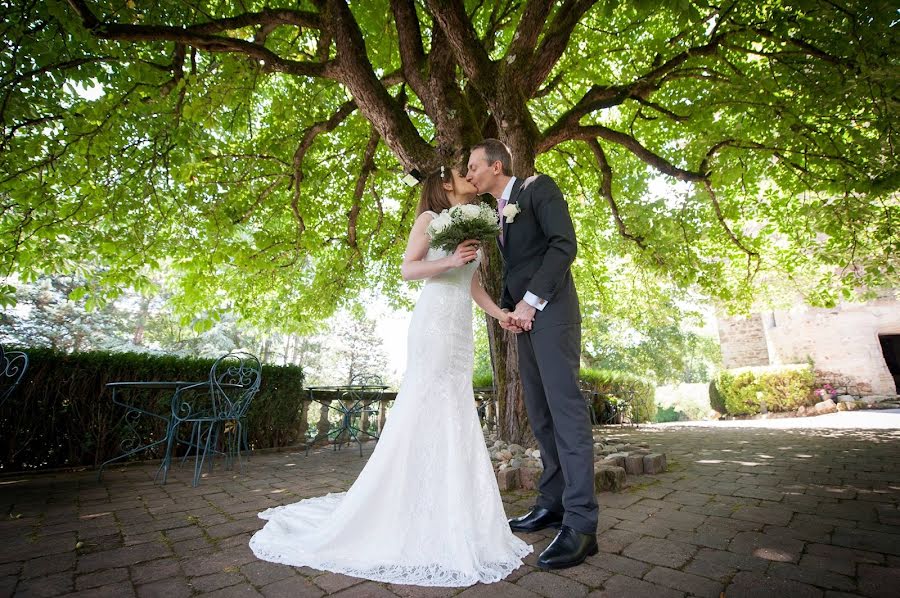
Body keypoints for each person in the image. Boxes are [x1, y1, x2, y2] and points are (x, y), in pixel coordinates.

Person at [249, 164, 531, 587]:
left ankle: (450, 506)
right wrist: (451, 259)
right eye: (462, 174)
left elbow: (472, 284)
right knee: (425, 405)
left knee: (455, 409)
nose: (470, 179)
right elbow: (408, 268)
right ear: (444, 185)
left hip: (458, 329)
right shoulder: (429, 220)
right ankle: (406, 504)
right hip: (433, 323)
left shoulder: (474, 225)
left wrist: (501, 314)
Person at [466, 139, 598, 570]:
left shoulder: (539, 189)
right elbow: (516, 266)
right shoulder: (497, 211)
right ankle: (553, 503)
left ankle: (581, 524)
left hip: (553, 312)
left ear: (497, 165)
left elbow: (563, 246)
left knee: (565, 412)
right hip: (522, 320)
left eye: (473, 166)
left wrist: (531, 302)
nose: (468, 175)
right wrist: (508, 309)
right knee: (540, 415)